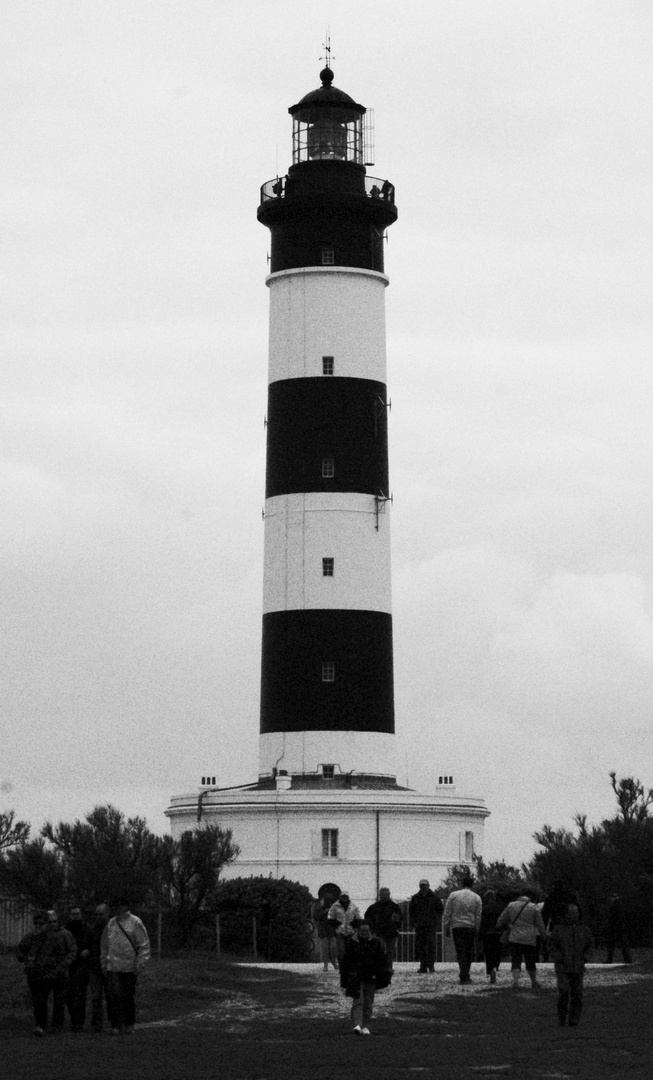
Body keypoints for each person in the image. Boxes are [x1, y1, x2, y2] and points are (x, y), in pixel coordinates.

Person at [16, 908, 77, 1035]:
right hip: (35, 974)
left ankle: (56, 1025)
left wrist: (55, 967)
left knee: (57, 1000)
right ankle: (40, 1025)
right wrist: (24, 958)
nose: (38, 926)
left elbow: (63, 954)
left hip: (51, 973)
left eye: (41, 923)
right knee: (39, 1002)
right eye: (36, 923)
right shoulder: (30, 937)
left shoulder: (55, 937)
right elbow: (20, 950)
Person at [101, 897, 151, 1034]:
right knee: (114, 997)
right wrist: (104, 963)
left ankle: (129, 1023)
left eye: (119, 905)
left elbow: (144, 945)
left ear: (125, 906)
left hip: (129, 967)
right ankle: (116, 1024)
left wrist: (139, 965)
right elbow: (105, 945)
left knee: (128, 996)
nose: (117, 908)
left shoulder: (135, 922)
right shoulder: (111, 923)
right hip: (114, 967)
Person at [339, 920, 391, 1035]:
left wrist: (383, 974)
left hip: (370, 977)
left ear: (369, 931)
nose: (364, 933)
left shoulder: (375, 943)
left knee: (367, 1003)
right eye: (362, 931)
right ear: (358, 931)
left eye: (366, 931)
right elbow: (346, 962)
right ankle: (358, 1024)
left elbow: (381, 961)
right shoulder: (352, 943)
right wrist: (344, 978)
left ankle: (364, 1025)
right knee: (358, 1001)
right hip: (356, 977)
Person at [548, 902, 594, 1027]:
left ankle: (574, 1020)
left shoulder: (584, 929)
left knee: (577, 995)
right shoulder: (559, 929)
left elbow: (590, 945)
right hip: (563, 966)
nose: (574, 915)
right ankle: (562, 1018)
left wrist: (585, 957)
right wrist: (558, 958)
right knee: (564, 992)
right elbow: (551, 945)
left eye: (576, 913)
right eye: (572, 913)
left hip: (578, 967)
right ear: (566, 914)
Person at [497, 890, 546, 989]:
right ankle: (534, 981)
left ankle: (515, 981)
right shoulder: (533, 907)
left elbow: (501, 920)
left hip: (515, 937)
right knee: (530, 960)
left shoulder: (511, 905)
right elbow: (540, 924)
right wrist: (544, 935)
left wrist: (503, 925)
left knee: (516, 960)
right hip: (530, 938)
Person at [442, 875, 482, 984]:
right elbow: (478, 915)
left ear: (462, 884)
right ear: (472, 884)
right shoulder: (476, 897)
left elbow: (447, 912)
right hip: (470, 926)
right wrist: (477, 928)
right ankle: (466, 973)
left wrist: (446, 926)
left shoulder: (453, 895)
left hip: (457, 926)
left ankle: (462, 973)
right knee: (468, 951)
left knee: (460, 951)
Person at [65, 904, 91, 1031]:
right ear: (70, 916)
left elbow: (91, 944)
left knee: (80, 995)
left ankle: (79, 1022)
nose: (76, 916)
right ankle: (74, 1019)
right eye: (73, 914)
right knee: (69, 995)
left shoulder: (86, 929)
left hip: (82, 965)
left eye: (77, 914)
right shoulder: (66, 930)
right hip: (69, 965)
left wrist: (88, 951)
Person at [409, 879, 443, 973]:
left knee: (431, 946)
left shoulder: (434, 897)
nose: (423, 887)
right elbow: (411, 912)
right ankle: (423, 966)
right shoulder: (415, 898)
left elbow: (440, 910)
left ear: (428, 886)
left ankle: (431, 966)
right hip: (419, 926)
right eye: (421, 886)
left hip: (431, 926)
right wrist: (413, 923)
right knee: (421, 946)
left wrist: (436, 920)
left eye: (424, 885)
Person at [365, 887, 403, 969]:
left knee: (390, 951)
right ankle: (380, 967)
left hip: (391, 932)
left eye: (386, 894)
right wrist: (372, 931)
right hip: (379, 933)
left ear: (389, 895)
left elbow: (400, 919)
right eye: (383, 895)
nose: (385, 896)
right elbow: (367, 920)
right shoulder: (373, 908)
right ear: (380, 895)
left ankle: (388, 967)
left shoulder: (394, 906)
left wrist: (397, 927)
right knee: (380, 950)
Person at [88, 903, 111, 1032]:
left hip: (110, 967)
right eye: (96, 914)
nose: (98, 917)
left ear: (107, 914)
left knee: (111, 996)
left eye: (101, 914)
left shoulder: (113, 929)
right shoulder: (92, 930)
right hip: (95, 968)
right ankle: (96, 1024)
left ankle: (114, 1022)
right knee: (96, 997)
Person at [327, 893, 363, 964]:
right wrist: (336, 923)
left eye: (346, 897)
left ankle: (349, 966)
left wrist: (354, 924)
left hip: (350, 932)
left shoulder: (353, 906)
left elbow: (358, 917)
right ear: (340, 897)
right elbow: (330, 917)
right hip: (340, 932)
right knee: (341, 951)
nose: (344, 898)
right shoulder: (334, 906)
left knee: (350, 950)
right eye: (343, 897)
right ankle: (341, 966)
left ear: (348, 897)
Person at [479, 889, 505, 984]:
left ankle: (490, 970)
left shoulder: (484, 908)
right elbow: (503, 920)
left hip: (487, 934)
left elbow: (482, 922)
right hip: (498, 933)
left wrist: (480, 934)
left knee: (488, 953)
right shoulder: (500, 908)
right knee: (497, 952)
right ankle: (495, 967)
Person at [312, 894, 339, 971]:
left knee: (333, 948)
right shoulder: (318, 908)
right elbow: (317, 917)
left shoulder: (334, 909)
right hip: (323, 931)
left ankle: (334, 962)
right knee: (324, 949)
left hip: (332, 931)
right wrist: (324, 912)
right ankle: (325, 964)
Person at [606, 893, 632, 964]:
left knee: (611, 944)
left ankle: (610, 959)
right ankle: (627, 959)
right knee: (624, 945)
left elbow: (612, 918)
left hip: (616, 928)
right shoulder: (621, 906)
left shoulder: (613, 907)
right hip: (621, 927)